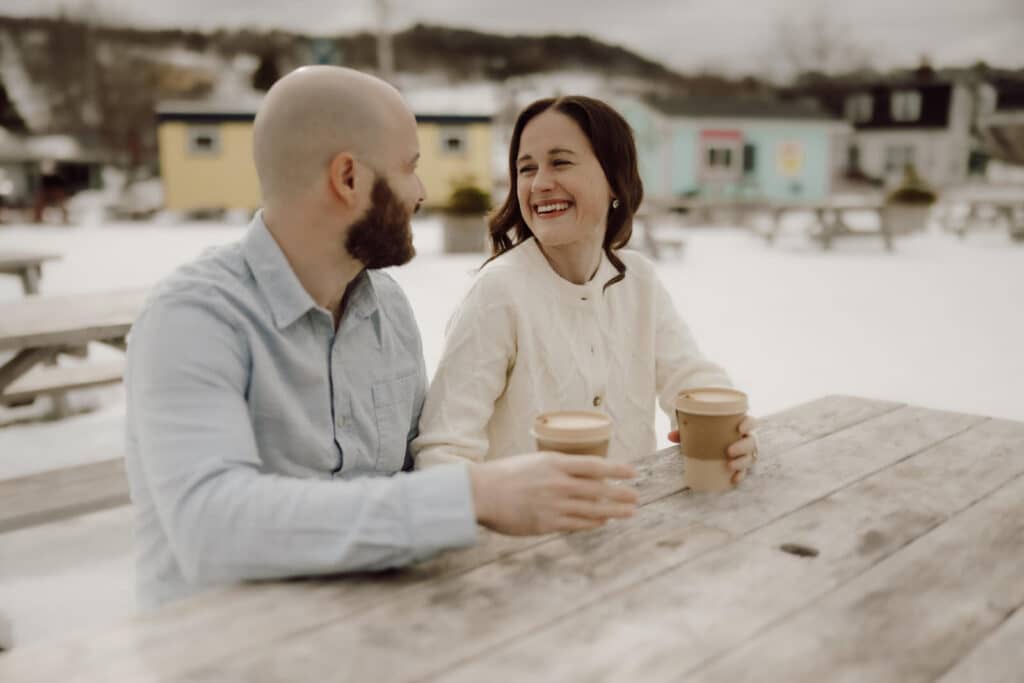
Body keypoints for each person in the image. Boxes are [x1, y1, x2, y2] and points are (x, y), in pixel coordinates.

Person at [125, 68, 638, 610]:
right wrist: (474, 495)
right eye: (409, 168)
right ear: (348, 178)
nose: (421, 192)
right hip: (224, 649)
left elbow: (414, 475)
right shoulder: (192, 318)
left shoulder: (388, 309)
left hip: (385, 628)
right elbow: (211, 528)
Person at [412, 95, 758, 473]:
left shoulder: (638, 279)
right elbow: (444, 450)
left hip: (636, 517)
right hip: (532, 530)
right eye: (526, 169)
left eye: (560, 162)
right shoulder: (499, 292)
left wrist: (731, 430)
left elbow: (690, 379)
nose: (540, 183)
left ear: (615, 180)